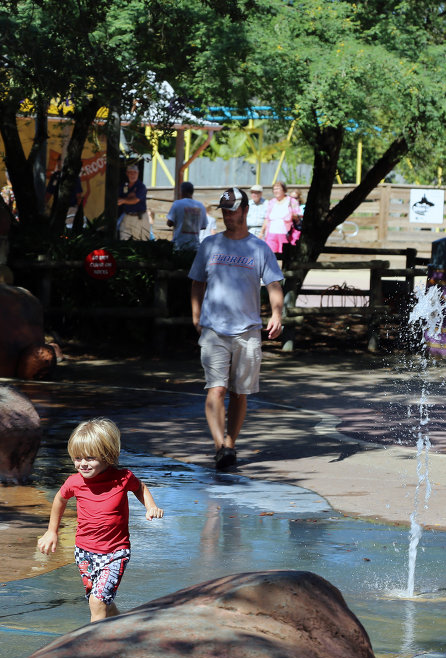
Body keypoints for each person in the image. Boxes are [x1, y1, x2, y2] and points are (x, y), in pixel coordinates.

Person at [188, 187, 285, 471]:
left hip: (247, 331)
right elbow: (196, 282)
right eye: (224, 211)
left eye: (233, 210)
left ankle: (231, 442)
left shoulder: (258, 248)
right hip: (214, 330)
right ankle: (221, 446)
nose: (228, 216)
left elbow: (274, 285)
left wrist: (277, 313)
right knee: (215, 389)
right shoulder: (210, 245)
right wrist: (196, 316)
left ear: (244, 210)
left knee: (239, 393)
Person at [38, 418, 164, 623]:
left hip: (115, 552)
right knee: (100, 600)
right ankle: (120, 624)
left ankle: (93, 647)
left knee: (97, 602)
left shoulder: (122, 478)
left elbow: (139, 487)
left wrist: (150, 506)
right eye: (77, 458)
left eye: (90, 457)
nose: (82, 464)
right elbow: (60, 498)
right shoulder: (74, 482)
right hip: (84, 552)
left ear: (107, 456)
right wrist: (52, 531)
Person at [165, 181, 208, 251]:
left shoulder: (177, 204)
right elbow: (204, 226)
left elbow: (169, 223)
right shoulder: (201, 206)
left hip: (179, 245)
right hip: (194, 246)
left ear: (182, 191)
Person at [262, 181, 301, 255]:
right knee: (270, 255)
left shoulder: (291, 201)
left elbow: (298, 217)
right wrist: (262, 232)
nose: (275, 191)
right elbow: (267, 218)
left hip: (285, 234)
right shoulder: (271, 202)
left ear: (284, 190)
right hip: (271, 234)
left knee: (285, 255)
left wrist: (291, 215)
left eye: (278, 188)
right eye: (274, 189)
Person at [116, 163, 150, 240]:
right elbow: (117, 198)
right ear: (127, 174)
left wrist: (124, 200)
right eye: (130, 172)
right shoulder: (124, 186)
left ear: (138, 174)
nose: (133, 175)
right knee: (123, 240)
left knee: (140, 243)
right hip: (126, 216)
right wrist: (128, 197)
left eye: (135, 172)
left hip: (139, 218)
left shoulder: (141, 186)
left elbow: (135, 200)